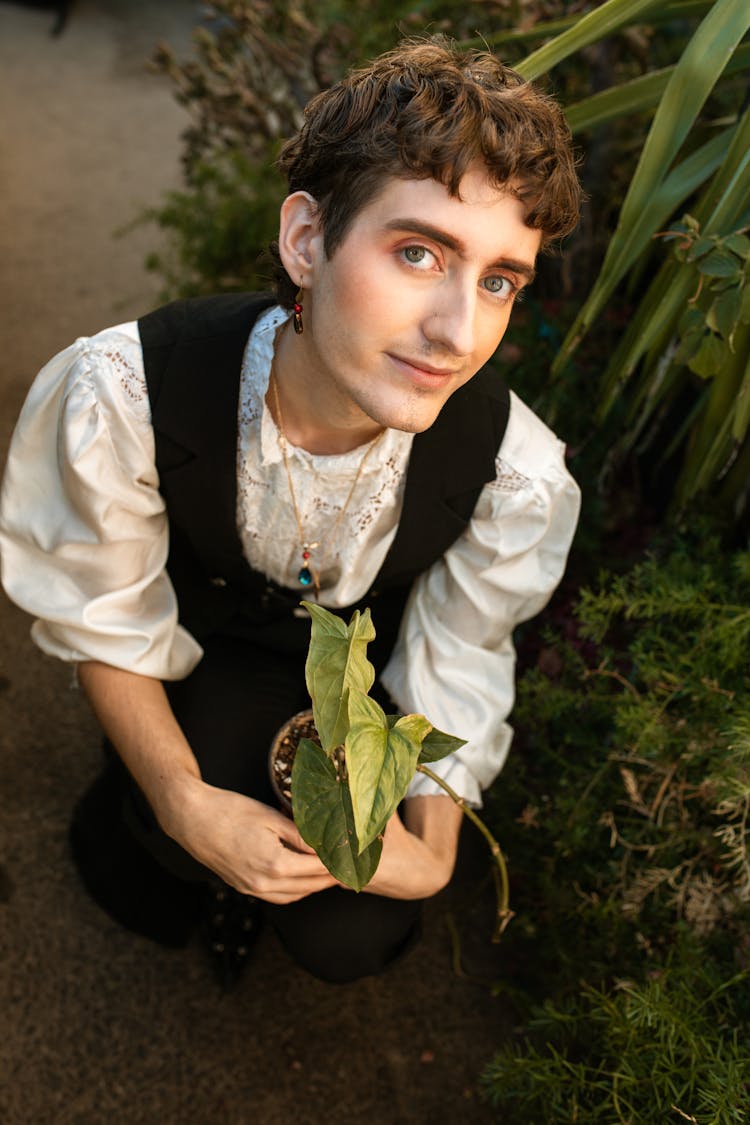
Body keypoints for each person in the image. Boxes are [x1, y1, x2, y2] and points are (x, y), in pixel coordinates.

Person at [0, 38, 582, 985]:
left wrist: (434, 850)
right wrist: (184, 799)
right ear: (306, 239)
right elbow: (100, 611)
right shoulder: (133, 387)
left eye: (497, 279)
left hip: (354, 691)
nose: (458, 331)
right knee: (167, 837)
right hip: (196, 643)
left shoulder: (510, 470)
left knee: (351, 935)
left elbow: (459, 656)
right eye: (417, 251)